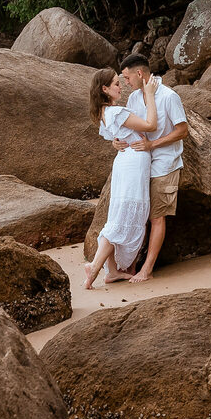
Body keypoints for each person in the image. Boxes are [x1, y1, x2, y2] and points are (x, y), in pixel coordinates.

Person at [115, 53, 188, 283]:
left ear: (139, 73)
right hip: (140, 164)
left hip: (165, 163)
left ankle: (147, 268)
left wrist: (152, 144)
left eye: (127, 78)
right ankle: (130, 265)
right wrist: (116, 141)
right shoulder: (134, 99)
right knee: (138, 215)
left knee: (156, 216)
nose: (126, 83)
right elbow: (129, 129)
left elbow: (182, 130)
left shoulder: (169, 96)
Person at [84, 67, 159, 290]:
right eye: (116, 83)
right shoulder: (116, 112)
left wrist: (116, 142)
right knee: (122, 219)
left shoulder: (106, 113)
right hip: (132, 166)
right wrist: (151, 96)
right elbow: (151, 126)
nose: (120, 86)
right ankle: (95, 267)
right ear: (105, 89)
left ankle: (113, 271)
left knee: (118, 216)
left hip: (125, 163)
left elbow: (116, 138)